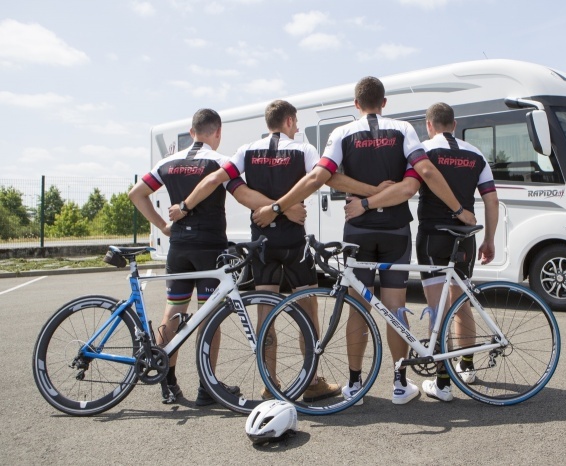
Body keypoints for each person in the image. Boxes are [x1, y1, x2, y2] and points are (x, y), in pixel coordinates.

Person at [253, 77, 473, 405]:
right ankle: (400, 385)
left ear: (356, 104)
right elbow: (422, 175)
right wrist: (458, 209)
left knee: (358, 308)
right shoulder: (403, 129)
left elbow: (321, 176)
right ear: (384, 102)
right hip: (395, 230)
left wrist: (278, 207)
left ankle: (355, 383)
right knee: (396, 308)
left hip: (357, 230)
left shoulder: (342, 132)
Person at [170, 100, 383, 402]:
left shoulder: (246, 150)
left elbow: (218, 180)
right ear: (289, 121)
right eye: (296, 123)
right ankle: (311, 382)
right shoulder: (303, 149)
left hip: (262, 243)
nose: (297, 128)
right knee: (308, 309)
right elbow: (326, 177)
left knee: (265, 311)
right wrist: (374, 191)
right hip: (294, 243)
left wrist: (184, 206)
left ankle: (270, 383)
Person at [129, 108, 238, 406]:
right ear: (218, 132)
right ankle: (207, 387)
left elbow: (136, 194)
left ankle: (167, 382)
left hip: (178, 245)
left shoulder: (167, 162)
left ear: (191, 132)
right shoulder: (219, 161)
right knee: (209, 317)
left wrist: (163, 226)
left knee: (173, 311)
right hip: (209, 246)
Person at [411, 102, 499, 402]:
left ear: (429, 125)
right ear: (455, 124)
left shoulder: (424, 150)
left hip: (432, 236)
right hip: (466, 237)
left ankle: (443, 383)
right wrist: (489, 239)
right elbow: (491, 200)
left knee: (438, 309)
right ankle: (467, 367)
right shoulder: (476, 154)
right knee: (461, 303)